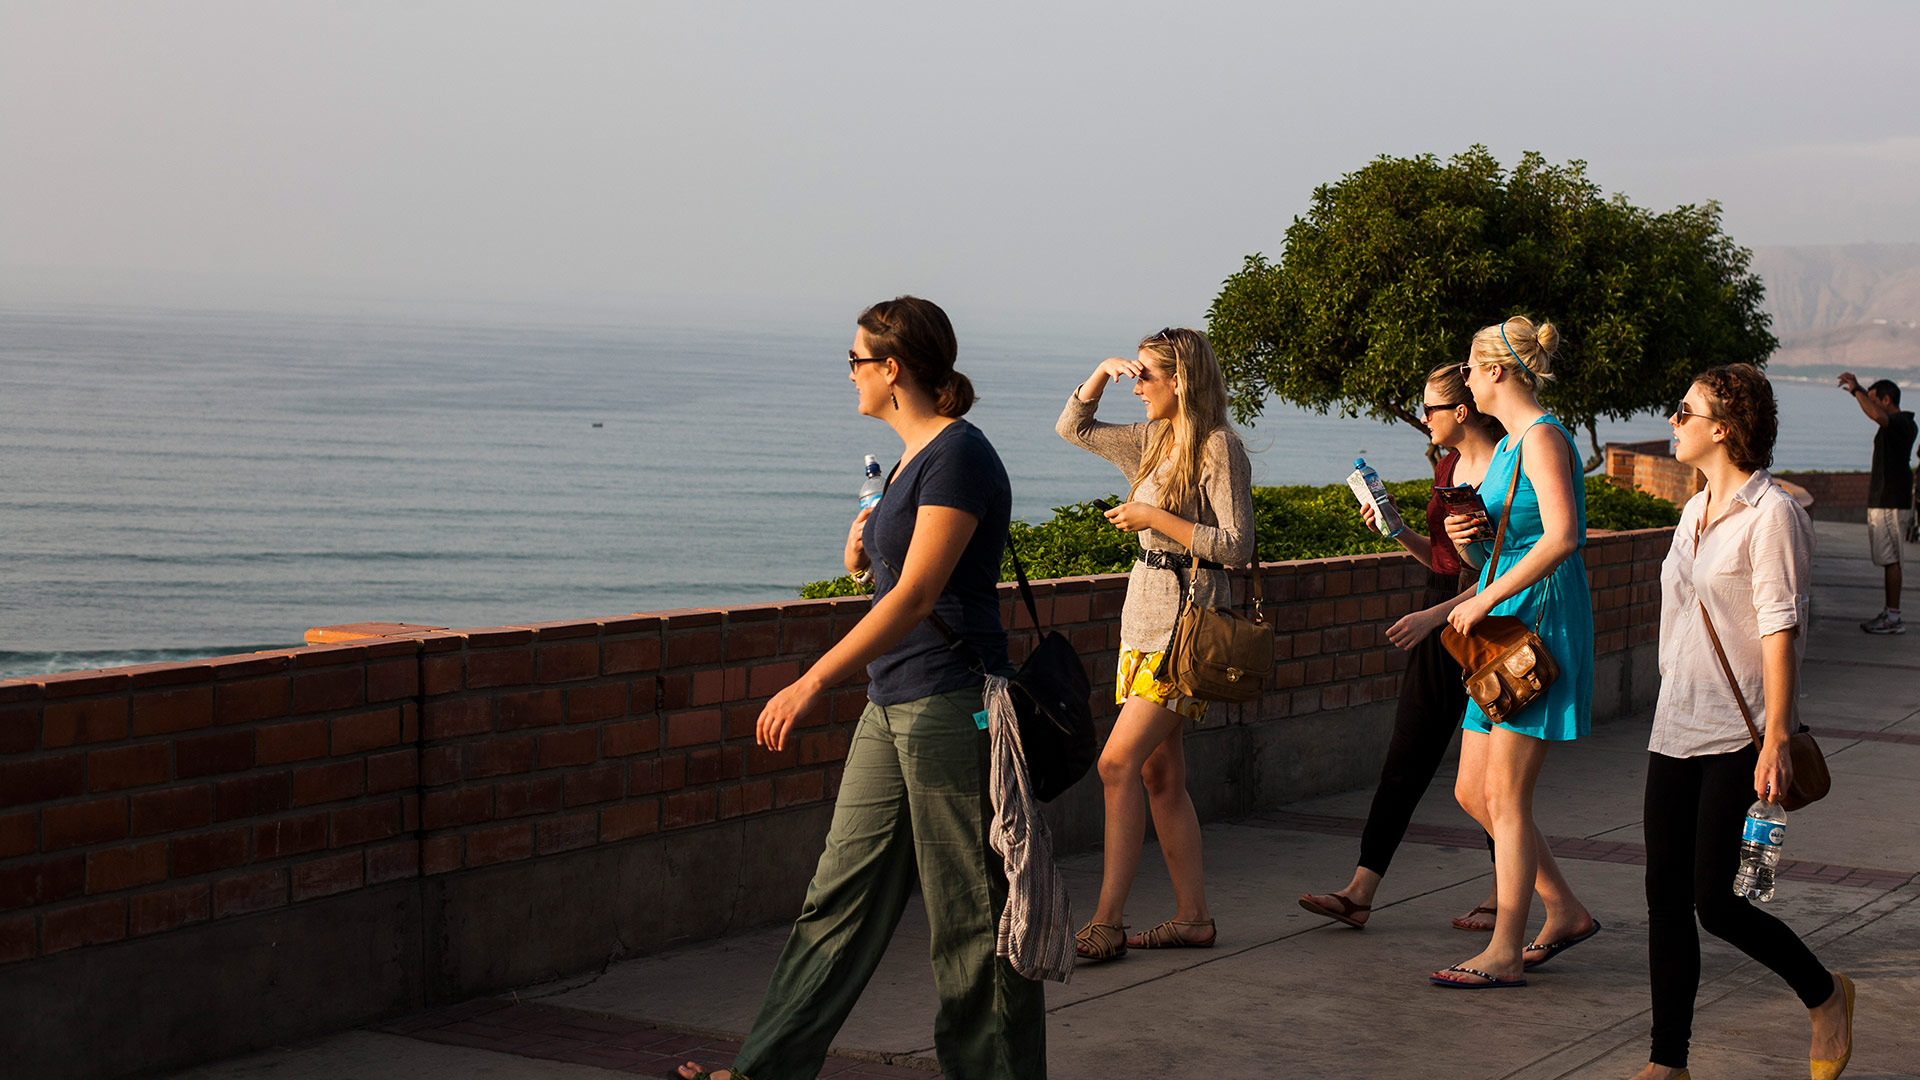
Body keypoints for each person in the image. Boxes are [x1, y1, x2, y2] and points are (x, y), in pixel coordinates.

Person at [677, 296, 1045, 1080]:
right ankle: (764, 1071)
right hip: (894, 701)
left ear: (892, 367)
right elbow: (898, 577)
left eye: (855, 360)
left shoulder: (959, 456)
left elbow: (918, 597)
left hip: (954, 703)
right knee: (837, 897)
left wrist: (810, 680)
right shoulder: (913, 461)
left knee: (973, 919)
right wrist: (861, 554)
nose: (848, 374)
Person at [1632, 364, 1854, 1080]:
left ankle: (1825, 997)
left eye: (1683, 410)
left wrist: (1779, 735)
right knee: (1664, 899)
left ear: (1722, 428)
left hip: (1742, 734)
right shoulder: (1693, 512)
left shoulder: (1772, 516)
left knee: (1717, 903)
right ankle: (1670, 1065)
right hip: (1676, 724)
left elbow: (1779, 629)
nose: (1672, 421)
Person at [1054, 327, 1253, 962]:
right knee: (1158, 773)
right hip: (1142, 619)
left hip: (1187, 622)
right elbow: (1074, 429)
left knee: (1116, 764)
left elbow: (1236, 546)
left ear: (1181, 380)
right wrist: (1097, 374)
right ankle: (1193, 918)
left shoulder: (1219, 447)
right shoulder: (1149, 441)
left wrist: (1154, 519)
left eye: (1145, 375)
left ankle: (1108, 921)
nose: (1135, 386)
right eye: (1133, 374)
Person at [1299, 362, 1505, 931]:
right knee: (1406, 756)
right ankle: (1361, 890)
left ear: (1461, 412)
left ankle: (1502, 895)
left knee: (1490, 775)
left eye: (1430, 410)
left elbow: (1494, 573)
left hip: (1484, 621)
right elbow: (1443, 561)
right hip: (1441, 609)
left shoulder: (1506, 468)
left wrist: (1432, 619)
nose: (1422, 418)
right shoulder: (1447, 465)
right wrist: (1395, 531)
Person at [1429, 316, 1599, 989]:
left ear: (1496, 371)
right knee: (1474, 790)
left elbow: (1563, 537)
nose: (1465, 381)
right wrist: (1470, 535)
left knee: (1506, 795)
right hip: (1504, 623)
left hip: (1540, 624)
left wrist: (1481, 595)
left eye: (1469, 369)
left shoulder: (1543, 437)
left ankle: (1505, 949)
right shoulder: (1504, 451)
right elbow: (1506, 542)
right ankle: (1565, 910)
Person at [1836, 373, 1915, 634]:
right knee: (1887, 558)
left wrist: (1856, 389)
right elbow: (1878, 416)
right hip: (1883, 500)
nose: (1868, 406)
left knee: (1892, 559)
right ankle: (1890, 612)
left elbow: (1878, 416)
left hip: (1892, 501)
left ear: (1886, 399)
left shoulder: (1904, 422)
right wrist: (1858, 392)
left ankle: (1894, 618)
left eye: (1873, 400)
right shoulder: (1890, 426)